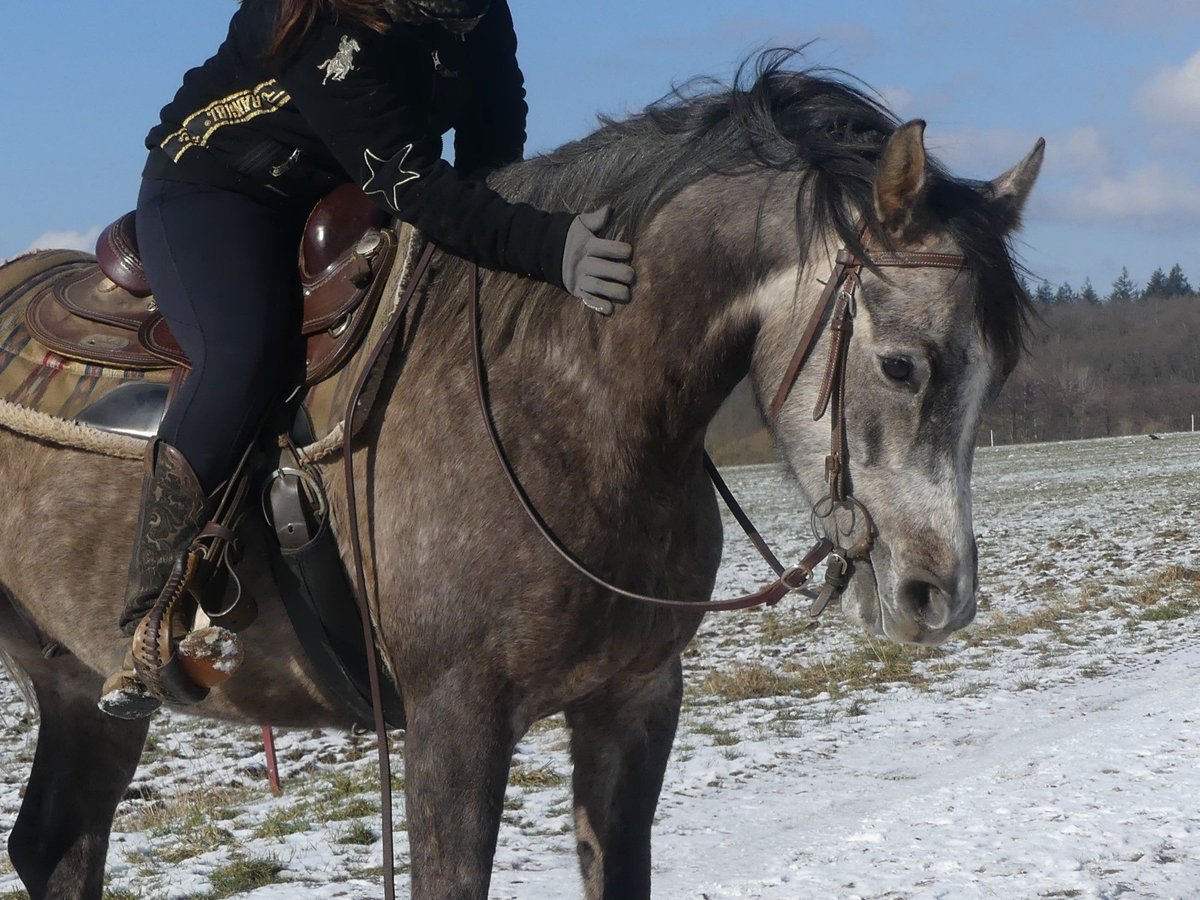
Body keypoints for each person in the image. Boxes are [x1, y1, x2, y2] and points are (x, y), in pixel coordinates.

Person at [98, 0, 635, 718]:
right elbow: (408, 178)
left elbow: (493, 118)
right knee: (243, 353)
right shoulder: (320, 18)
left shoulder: (474, 9)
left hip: (343, 183)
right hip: (219, 189)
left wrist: (505, 208)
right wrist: (545, 245)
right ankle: (152, 613)